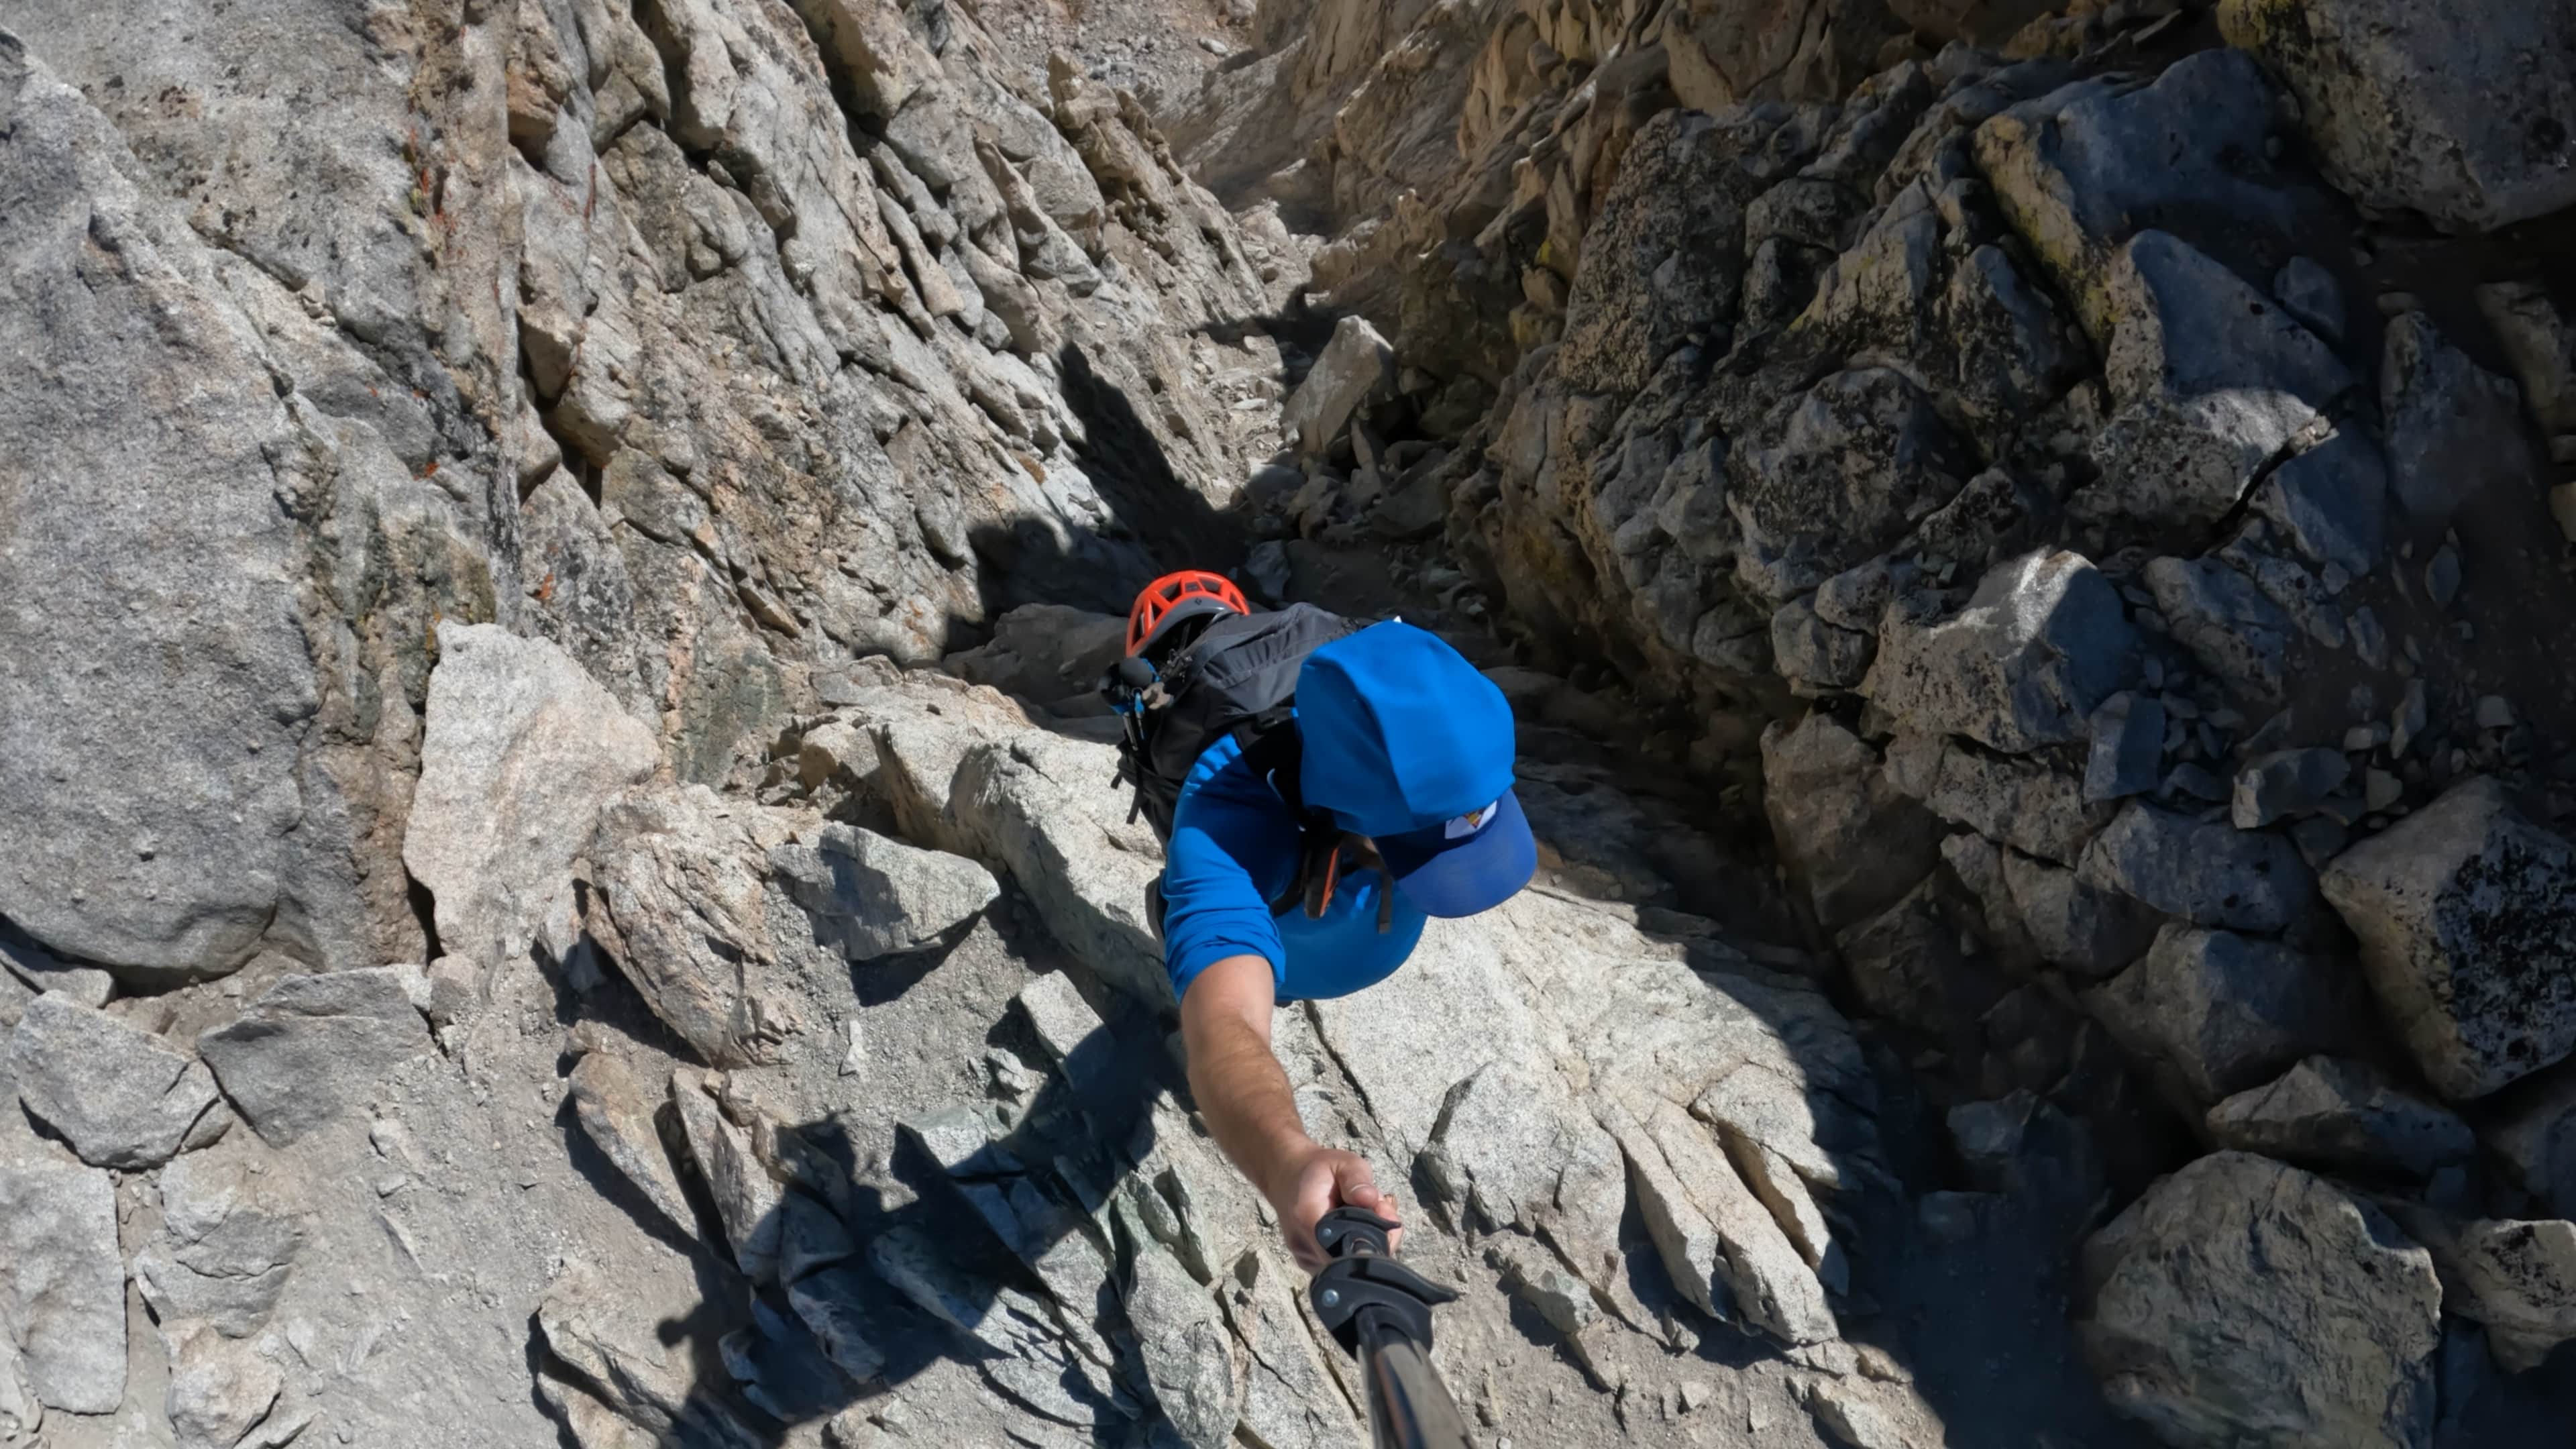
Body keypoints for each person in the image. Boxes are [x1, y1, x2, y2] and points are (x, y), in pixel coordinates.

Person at [1118, 580, 1538, 1268]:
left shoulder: (1446, 733)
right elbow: (1226, 1029)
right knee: (1208, 944)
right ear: (1341, 808)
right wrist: (1288, 1159)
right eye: (1413, 850)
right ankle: (1234, 949)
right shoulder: (1224, 830)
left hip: (1322, 917)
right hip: (1279, 906)